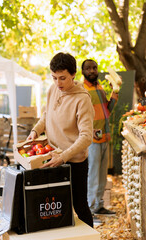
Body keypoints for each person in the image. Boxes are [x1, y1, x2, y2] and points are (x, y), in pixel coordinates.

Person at [27, 52, 94, 228]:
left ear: (73, 74)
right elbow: (46, 115)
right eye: (54, 78)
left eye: (63, 78)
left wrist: (63, 156)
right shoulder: (52, 89)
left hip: (74, 162)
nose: (58, 83)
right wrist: (35, 130)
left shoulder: (82, 99)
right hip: (51, 157)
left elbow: (86, 137)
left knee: (79, 206)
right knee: (55, 207)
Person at [81, 59, 118, 224]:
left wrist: (114, 95)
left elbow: (107, 111)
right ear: (82, 71)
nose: (92, 70)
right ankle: (89, 210)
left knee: (102, 176)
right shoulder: (82, 90)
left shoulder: (100, 88)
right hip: (92, 140)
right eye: (88, 68)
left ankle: (99, 206)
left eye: (94, 68)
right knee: (93, 176)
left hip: (105, 137)